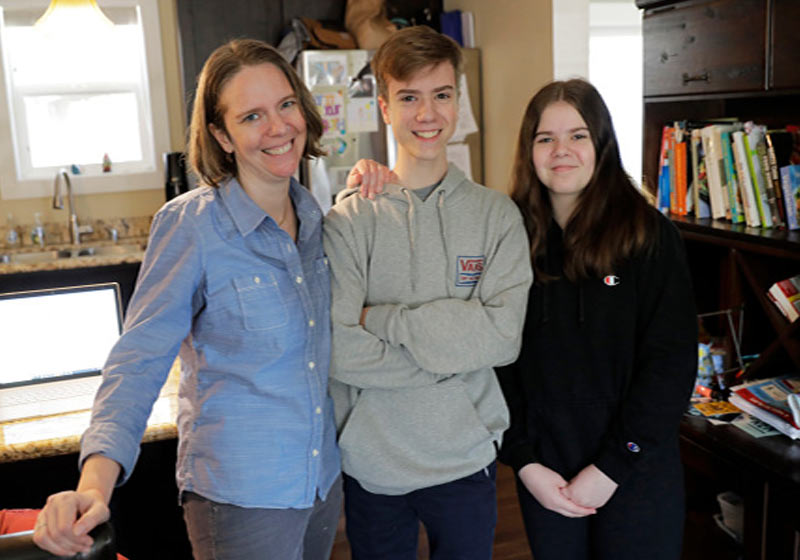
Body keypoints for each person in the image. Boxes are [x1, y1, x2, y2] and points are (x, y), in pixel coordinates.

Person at [33, 39, 345, 560]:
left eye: (286, 104)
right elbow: (138, 361)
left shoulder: (314, 217)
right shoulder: (192, 226)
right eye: (251, 116)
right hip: (242, 496)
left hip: (320, 484)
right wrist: (93, 485)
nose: (279, 127)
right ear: (222, 135)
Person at [323, 26, 532, 560]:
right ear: (385, 108)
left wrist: (383, 321)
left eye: (441, 95)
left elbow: (502, 339)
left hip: (465, 457)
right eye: (409, 97)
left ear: (458, 101)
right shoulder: (349, 220)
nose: (427, 114)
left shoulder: (496, 217)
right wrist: (453, 361)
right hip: (372, 461)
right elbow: (339, 349)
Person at [495, 78, 698, 559]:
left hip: (635, 469)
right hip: (545, 473)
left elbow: (670, 365)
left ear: (602, 143)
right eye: (545, 138)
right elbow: (495, 360)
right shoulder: (508, 236)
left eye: (578, 135)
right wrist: (523, 462)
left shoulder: (648, 235)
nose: (561, 150)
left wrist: (612, 466)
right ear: (529, 150)